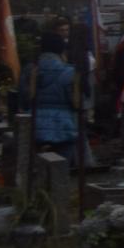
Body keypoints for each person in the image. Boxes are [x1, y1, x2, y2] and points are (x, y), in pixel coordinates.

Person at [28, 42, 82, 171]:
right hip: (63, 127)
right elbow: (76, 103)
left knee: (38, 170)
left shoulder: (32, 70)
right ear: (62, 52)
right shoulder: (69, 72)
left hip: (36, 126)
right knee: (61, 171)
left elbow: (28, 98)